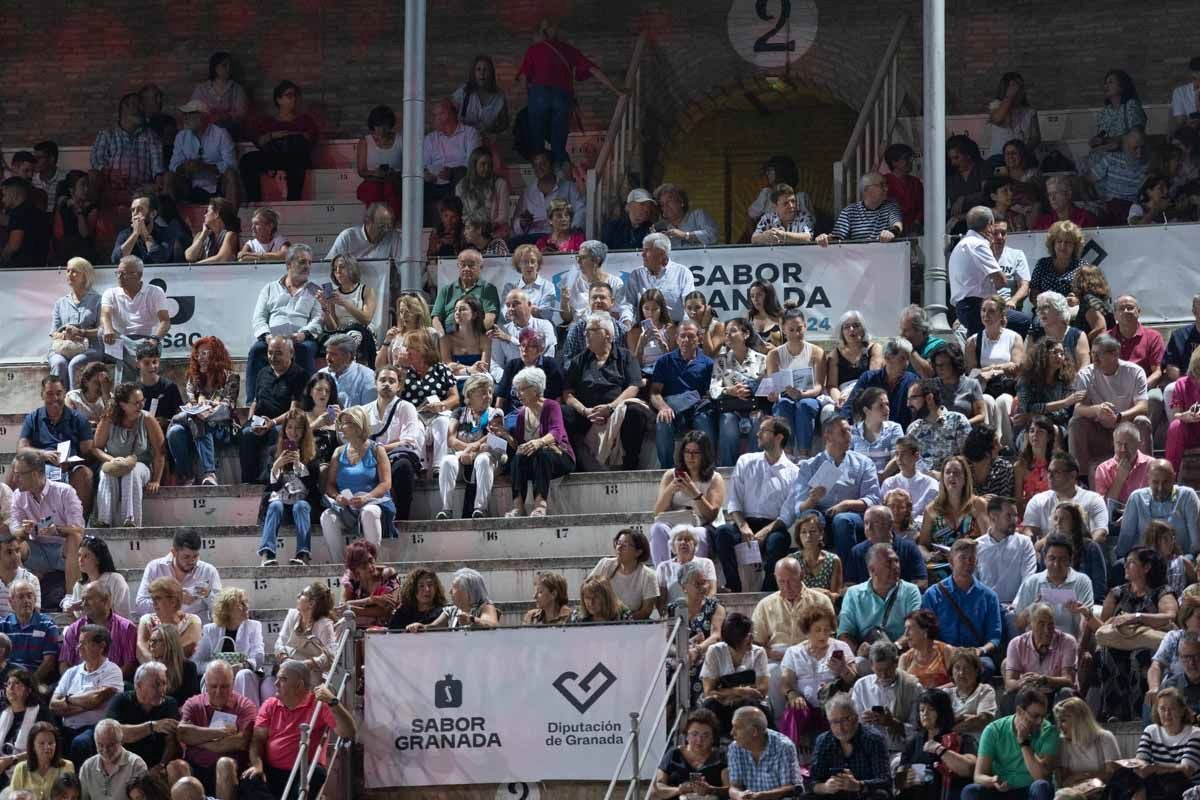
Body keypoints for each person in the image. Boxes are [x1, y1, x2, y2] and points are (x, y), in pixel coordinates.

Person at [1084, 546, 1179, 721]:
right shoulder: (1117, 593)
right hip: (1121, 643)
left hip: (1147, 643)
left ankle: (1140, 713)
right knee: (1106, 652)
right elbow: (1104, 628)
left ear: (1146, 567)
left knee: (1140, 655)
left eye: (1131, 563)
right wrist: (1087, 615)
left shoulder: (1162, 591)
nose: (1125, 567)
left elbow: (1169, 616)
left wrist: (1136, 617)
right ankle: (1114, 713)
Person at [773, 417, 879, 569]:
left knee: (842, 520)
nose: (849, 436)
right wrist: (812, 499)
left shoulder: (863, 463)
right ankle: (812, 571)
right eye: (843, 432)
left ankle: (847, 575)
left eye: (850, 431)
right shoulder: (809, 466)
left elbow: (874, 498)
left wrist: (847, 504)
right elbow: (799, 507)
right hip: (821, 515)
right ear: (827, 435)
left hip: (851, 516)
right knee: (810, 518)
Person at [515, 19, 623, 168]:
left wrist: (530, 98)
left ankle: (543, 180)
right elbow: (593, 69)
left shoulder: (534, 49)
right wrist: (615, 89)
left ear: (541, 33)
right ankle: (564, 180)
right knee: (559, 148)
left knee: (537, 146)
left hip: (538, 96)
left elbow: (523, 77)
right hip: (561, 97)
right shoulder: (569, 50)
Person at [239, 661, 355, 800]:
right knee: (249, 780)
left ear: (299, 685)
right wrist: (257, 765)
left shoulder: (319, 705)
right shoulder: (270, 704)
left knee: (315, 774)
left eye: (283, 679)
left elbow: (348, 732)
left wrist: (333, 702)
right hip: (272, 770)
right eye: (277, 678)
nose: (275, 683)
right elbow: (257, 739)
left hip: (303, 771)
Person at [711, 417, 798, 590]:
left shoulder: (794, 472)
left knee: (779, 541)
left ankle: (768, 589)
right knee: (723, 533)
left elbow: (788, 513)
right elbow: (734, 500)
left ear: (778, 437)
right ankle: (733, 584)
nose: (757, 433)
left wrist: (765, 532)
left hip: (773, 525)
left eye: (764, 431)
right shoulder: (745, 461)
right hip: (745, 521)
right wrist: (743, 526)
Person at [559, 314, 652, 471]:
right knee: (563, 412)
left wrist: (610, 408)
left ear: (607, 334)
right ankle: (574, 465)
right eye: (585, 331)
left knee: (635, 412)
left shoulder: (625, 356)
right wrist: (584, 410)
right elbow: (568, 393)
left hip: (616, 411)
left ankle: (630, 465)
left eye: (591, 330)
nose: (585, 334)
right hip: (587, 413)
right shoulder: (579, 360)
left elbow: (633, 387)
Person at [753, 557, 836, 713]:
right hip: (778, 656)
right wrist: (770, 652)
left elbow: (831, 634)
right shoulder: (765, 604)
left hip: (814, 652)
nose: (787, 586)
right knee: (771, 673)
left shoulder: (820, 600)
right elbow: (756, 643)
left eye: (791, 580)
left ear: (802, 576)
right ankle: (780, 724)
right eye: (781, 581)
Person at [1069, 333, 1153, 481]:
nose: (1094, 359)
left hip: (1126, 427)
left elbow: (1143, 406)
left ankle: (1148, 473)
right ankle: (1080, 479)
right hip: (1099, 429)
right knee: (1075, 423)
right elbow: (1078, 408)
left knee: (1142, 421)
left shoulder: (1134, 372)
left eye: (1099, 354)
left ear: (1115, 354)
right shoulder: (1085, 374)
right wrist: (1097, 409)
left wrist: (1119, 417)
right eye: (1092, 354)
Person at [9, 448, 83, 611]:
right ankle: (20, 595)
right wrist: (23, 530)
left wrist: (56, 529)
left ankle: (71, 597)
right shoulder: (17, 495)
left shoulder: (65, 491)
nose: (15, 479)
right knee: (14, 543)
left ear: (35, 474)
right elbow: (14, 528)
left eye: (19, 474)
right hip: (36, 550)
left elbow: (79, 529)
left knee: (74, 538)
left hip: (62, 551)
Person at [318, 408, 395, 564]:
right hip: (347, 506)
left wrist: (367, 497)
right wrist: (337, 496)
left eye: (344, 424)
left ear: (357, 425)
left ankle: (372, 564)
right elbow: (330, 485)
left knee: (368, 512)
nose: (339, 428)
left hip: (372, 501)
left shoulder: (376, 449)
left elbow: (386, 483)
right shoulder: (338, 452)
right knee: (327, 517)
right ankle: (340, 565)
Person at [245, 247, 321, 404]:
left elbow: (318, 318)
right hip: (273, 337)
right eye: (302, 262)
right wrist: (267, 337)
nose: (307, 266)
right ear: (288, 264)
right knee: (256, 350)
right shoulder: (270, 288)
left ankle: (306, 401)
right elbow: (259, 317)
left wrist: (304, 334)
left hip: (300, 337)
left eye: (309, 262)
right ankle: (253, 401)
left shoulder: (314, 289)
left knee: (305, 349)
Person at [170, 661, 254, 800]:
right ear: (206, 685)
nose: (218, 691)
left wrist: (197, 740)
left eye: (225, 686)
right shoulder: (193, 703)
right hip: (195, 764)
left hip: (230, 768)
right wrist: (221, 733)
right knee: (175, 766)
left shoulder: (244, 705)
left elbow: (241, 741)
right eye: (213, 686)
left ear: (232, 684)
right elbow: (183, 733)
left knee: (224, 763)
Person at [921, 539, 1003, 677]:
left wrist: (980, 651)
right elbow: (926, 633)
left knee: (986, 666)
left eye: (972, 558)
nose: (968, 562)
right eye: (962, 558)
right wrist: (947, 650)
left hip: (975, 655)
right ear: (951, 561)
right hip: (942, 653)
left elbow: (994, 637)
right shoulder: (933, 594)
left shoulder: (989, 596)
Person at [962, 688, 1058, 800]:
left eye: (1043, 716)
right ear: (1020, 711)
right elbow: (978, 776)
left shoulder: (1049, 731)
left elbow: (1040, 776)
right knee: (971, 791)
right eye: (1035, 716)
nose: (1039, 722)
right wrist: (993, 781)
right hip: (999, 791)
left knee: (1041, 786)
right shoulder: (994, 730)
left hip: (1029, 790)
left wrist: (1024, 743)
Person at [240, 336, 309, 487]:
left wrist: (272, 423)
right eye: (270, 353)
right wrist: (252, 420)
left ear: (291, 353)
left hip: (283, 423)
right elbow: (256, 402)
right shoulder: (263, 373)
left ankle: (271, 481)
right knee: (245, 433)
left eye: (278, 353)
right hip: (261, 420)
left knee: (276, 433)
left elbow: (294, 410)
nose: (273, 357)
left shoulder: (300, 375)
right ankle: (247, 483)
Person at [51, 623, 124, 766]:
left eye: (84, 643)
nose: (79, 647)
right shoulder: (71, 672)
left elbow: (96, 699)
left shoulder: (112, 670)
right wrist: (85, 704)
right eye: (79, 643)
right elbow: (53, 705)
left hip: (95, 727)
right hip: (67, 727)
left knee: (81, 743)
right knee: (45, 737)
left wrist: (67, 700)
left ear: (101, 646)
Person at [92, 384, 164, 529]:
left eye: (142, 401)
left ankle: (130, 521)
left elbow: (159, 452)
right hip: (114, 461)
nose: (141, 405)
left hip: (140, 464)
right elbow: (96, 448)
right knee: (107, 474)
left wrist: (156, 479)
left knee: (131, 472)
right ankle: (104, 521)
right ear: (123, 405)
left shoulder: (147, 419)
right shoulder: (108, 420)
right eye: (136, 403)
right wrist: (112, 460)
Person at [647, 431, 724, 564]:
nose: (690, 457)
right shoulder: (670, 475)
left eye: (696, 453)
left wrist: (695, 493)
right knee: (658, 528)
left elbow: (711, 515)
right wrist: (671, 489)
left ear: (704, 454)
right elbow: (658, 512)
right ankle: (663, 576)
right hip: (675, 523)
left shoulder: (715, 478)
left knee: (697, 533)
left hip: (702, 524)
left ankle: (693, 577)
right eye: (687, 452)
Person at [779, 605, 855, 736]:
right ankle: (790, 751)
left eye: (827, 630)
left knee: (838, 709)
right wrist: (792, 694)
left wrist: (843, 668)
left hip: (832, 703)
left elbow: (853, 678)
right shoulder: (794, 652)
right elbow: (786, 682)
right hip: (805, 705)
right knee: (795, 710)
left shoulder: (840, 647)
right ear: (807, 631)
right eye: (818, 630)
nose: (823, 634)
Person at [838, 543, 923, 658]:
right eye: (889, 563)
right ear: (872, 570)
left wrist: (894, 648)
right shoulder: (853, 594)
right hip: (867, 657)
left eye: (896, 561)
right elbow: (844, 633)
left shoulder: (910, 591)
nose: (895, 566)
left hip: (901, 654)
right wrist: (859, 651)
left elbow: (915, 628)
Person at [239, 81, 318, 204]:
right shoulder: (269, 122)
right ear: (279, 99)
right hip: (274, 155)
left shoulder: (304, 120)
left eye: (295, 96)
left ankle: (293, 202)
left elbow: (309, 138)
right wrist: (273, 135)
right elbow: (260, 141)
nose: (294, 99)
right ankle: (255, 201)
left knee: (297, 157)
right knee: (247, 159)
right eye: (289, 95)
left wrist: (289, 134)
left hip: (295, 156)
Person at [1115, 687, 1200, 799]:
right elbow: (1140, 760)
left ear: (1182, 710)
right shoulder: (1151, 731)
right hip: (1158, 783)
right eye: (1162, 709)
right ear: (1157, 711)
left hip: (1185, 787)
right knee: (1122, 776)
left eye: (1172, 708)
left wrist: (1155, 768)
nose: (1167, 713)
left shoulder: (1195, 734)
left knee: (1174, 780)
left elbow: (1186, 770)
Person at [436, 374, 501, 520]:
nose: (488, 396)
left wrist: (471, 451)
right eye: (483, 393)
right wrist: (467, 451)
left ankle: (480, 508)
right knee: (447, 461)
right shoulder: (459, 412)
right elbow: (451, 439)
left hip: (489, 455)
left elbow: (491, 437)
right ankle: (446, 509)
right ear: (470, 394)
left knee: (482, 460)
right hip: (463, 455)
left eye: (490, 392)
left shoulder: (495, 413)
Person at [88, 93, 165, 214]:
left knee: (156, 191)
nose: (141, 110)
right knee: (93, 175)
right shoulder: (108, 134)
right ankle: (92, 218)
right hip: (112, 186)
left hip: (141, 188)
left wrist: (158, 183)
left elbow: (158, 167)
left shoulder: (151, 136)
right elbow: (96, 160)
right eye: (137, 106)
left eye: (142, 106)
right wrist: (110, 173)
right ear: (125, 107)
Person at [98, 255, 170, 385]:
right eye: (118, 272)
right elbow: (105, 315)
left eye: (124, 273)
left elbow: (165, 321)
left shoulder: (155, 292)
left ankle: (123, 390)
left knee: (126, 356)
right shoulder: (111, 293)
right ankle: (135, 362)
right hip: (121, 340)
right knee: (102, 332)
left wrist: (154, 339)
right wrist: (108, 328)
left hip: (147, 341)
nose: (119, 277)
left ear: (138, 275)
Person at [896, 688, 978, 800]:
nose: (925, 714)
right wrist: (904, 781)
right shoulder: (914, 742)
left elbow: (970, 768)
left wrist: (940, 750)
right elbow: (899, 780)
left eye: (931, 709)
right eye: (922, 710)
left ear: (943, 712)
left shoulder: (962, 739)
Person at [764, 308, 825, 458]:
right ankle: (787, 453)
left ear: (805, 326)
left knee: (804, 406)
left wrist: (802, 394)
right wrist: (772, 394)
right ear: (784, 330)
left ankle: (805, 454)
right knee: (783, 405)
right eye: (791, 330)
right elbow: (774, 385)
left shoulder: (817, 352)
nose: (796, 334)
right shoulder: (774, 354)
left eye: (799, 329)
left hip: (810, 396)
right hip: (785, 396)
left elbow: (819, 386)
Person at [1012, 534, 1096, 640]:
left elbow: (1088, 622)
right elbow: (1019, 624)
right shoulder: (1032, 582)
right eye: (1052, 558)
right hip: (1037, 645)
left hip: (1070, 643)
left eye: (1062, 559)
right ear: (1044, 559)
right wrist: (1032, 608)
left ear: (1070, 560)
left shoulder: (1082, 581)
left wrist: (1082, 649)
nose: (1056, 564)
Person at [808, 693, 892, 800]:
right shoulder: (823, 740)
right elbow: (812, 781)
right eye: (834, 722)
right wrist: (825, 787)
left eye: (845, 720)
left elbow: (885, 780)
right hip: (833, 795)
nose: (840, 728)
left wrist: (858, 785)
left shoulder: (874, 739)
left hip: (864, 795)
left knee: (880, 795)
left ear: (856, 718)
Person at [709, 317, 768, 466]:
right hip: (731, 409)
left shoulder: (763, 360)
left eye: (732, 331)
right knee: (727, 423)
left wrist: (751, 388)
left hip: (755, 408)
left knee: (758, 424)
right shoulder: (720, 361)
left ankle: (756, 468)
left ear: (746, 334)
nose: (727, 336)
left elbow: (768, 389)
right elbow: (713, 389)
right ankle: (728, 470)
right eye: (726, 333)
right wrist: (730, 390)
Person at [699, 612, 770, 736]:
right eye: (748, 635)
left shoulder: (759, 652)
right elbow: (709, 692)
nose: (752, 638)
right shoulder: (715, 652)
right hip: (722, 705)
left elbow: (761, 690)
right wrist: (741, 691)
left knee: (752, 705)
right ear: (736, 638)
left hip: (748, 704)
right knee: (710, 705)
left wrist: (726, 692)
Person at [191, 588, 264, 706]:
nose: (246, 607)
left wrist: (244, 665)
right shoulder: (210, 630)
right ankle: (212, 715)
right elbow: (197, 662)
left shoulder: (254, 626)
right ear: (228, 608)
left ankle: (250, 717)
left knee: (243, 674)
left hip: (245, 672)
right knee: (211, 676)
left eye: (246, 602)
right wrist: (220, 668)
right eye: (241, 603)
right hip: (218, 674)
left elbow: (259, 656)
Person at [1116, 460, 1200, 559]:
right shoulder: (1136, 498)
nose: (1160, 488)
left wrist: (1182, 563)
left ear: (1174, 478)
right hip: (1145, 564)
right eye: (1155, 482)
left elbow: (1196, 544)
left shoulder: (1187, 496)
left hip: (1181, 560)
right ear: (1148, 479)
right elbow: (1126, 539)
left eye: (1165, 482)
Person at [1004, 601, 1078, 706]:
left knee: (1066, 693)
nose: (1047, 630)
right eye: (1041, 624)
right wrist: (1021, 682)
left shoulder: (1067, 641)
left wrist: (1045, 680)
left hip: (1055, 693)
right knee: (1009, 697)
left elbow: (1069, 679)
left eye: (1050, 624)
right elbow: (1009, 683)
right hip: (1029, 694)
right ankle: (1018, 722)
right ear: (1031, 624)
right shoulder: (1017, 643)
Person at [58, 583, 137, 680]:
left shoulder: (127, 628)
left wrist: (103, 682)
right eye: (83, 600)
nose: (84, 604)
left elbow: (130, 665)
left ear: (106, 600)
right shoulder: (74, 629)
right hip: (79, 684)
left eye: (89, 599)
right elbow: (64, 664)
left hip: (112, 685)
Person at [168, 100, 239, 207]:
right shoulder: (181, 136)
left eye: (190, 114)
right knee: (169, 176)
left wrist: (206, 167)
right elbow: (173, 166)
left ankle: (231, 220)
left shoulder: (221, 134)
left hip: (217, 185)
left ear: (203, 117)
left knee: (231, 175)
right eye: (185, 115)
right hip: (190, 185)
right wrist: (184, 167)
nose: (186, 118)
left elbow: (232, 165)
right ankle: (171, 221)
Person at [949, 207, 1006, 339]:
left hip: (964, 307)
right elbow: (1001, 281)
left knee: (976, 346)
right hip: (976, 307)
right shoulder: (978, 245)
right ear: (990, 225)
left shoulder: (962, 244)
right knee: (1022, 322)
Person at [842, 338, 923, 430]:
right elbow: (850, 406)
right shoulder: (868, 378)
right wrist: (843, 424)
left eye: (908, 359)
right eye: (902, 358)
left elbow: (918, 412)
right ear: (888, 358)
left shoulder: (912, 381)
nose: (906, 363)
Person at [47, 258, 102, 392]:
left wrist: (81, 332)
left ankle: (74, 406)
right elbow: (53, 332)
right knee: (59, 363)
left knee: (75, 364)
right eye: (68, 271)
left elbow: (103, 330)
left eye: (74, 271)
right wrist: (65, 335)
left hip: (90, 348)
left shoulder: (97, 300)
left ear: (85, 275)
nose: (70, 275)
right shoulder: (61, 303)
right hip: (62, 347)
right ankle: (58, 403)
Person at [422, 99, 480, 223]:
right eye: (434, 115)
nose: (435, 118)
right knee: (417, 183)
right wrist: (426, 174)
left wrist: (452, 172)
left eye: (440, 114)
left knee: (461, 174)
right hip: (435, 181)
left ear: (452, 114)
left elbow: (473, 162)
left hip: (459, 178)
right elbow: (424, 165)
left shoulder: (470, 133)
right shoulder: (430, 139)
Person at [650, 708, 729, 799]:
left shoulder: (720, 756)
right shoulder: (674, 754)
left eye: (705, 735)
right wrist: (679, 790)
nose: (699, 740)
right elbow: (656, 789)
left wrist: (710, 790)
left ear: (712, 738)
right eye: (694, 734)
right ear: (686, 736)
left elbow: (729, 790)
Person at [318, 254, 379, 368]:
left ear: (351, 268)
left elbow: (366, 319)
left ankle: (349, 368)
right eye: (335, 268)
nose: (338, 271)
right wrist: (325, 307)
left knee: (353, 335)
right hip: (341, 332)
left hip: (362, 331)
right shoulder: (333, 294)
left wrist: (344, 303)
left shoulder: (366, 291)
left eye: (341, 267)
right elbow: (333, 327)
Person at [975, 496, 1036, 607]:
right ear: (993, 518)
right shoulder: (976, 546)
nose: (1015, 520)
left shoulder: (1024, 543)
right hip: (985, 608)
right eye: (1009, 516)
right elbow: (973, 582)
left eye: (1015, 516)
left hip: (1016, 608)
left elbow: (1028, 580)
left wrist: (1015, 607)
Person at [726, 705, 800, 799]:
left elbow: (790, 788)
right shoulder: (734, 748)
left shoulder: (784, 747)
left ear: (754, 732)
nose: (732, 733)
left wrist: (761, 796)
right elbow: (734, 787)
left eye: (737, 728)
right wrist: (740, 795)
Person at [510, 150, 585, 241]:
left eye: (543, 164)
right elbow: (515, 225)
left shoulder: (569, 187)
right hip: (533, 238)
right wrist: (522, 222)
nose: (539, 168)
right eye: (535, 165)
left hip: (559, 236)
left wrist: (570, 230)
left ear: (552, 166)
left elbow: (581, 210)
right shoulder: (527, 192)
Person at [847, 505, 927, 589]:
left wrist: (894, 594)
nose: (869, 528)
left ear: (890, 524)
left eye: (875, 522)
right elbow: (848, 585)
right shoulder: (857, 551)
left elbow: (921, 582)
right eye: (866, 523)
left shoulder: (909, 548)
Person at [273, 583, 336, 687]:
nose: (298, 595)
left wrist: (306, 664)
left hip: (312, 676)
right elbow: (280, 642)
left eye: (302, 594)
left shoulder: (324, 624)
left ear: (311, 604)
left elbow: (331, 656)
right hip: (287, 667)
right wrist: (285, 659)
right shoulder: (292, 615)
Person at [588, 530, 658, 621]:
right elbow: (587, 589)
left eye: (625, 545)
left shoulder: (648, 576)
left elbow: (646, 610)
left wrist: (624, 620)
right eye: (618, 543)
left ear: (638, 552)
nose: (619, 547)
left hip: (631, 625)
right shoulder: (605, 564)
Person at [625, 233, 696, 323]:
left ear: (662, 253)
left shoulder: (682, 273)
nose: (642, 254)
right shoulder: (636, 275)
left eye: (647, 250)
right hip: (643, 329)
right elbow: (628, 305)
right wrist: (627, 322)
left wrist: (683, 329)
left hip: (674, 328)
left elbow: (689, 306)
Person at [816, 172, 903, 245]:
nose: (886, 189)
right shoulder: (849, 211)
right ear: (866, 189)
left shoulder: (891, 206)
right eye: (881, 185)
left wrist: (891, 232)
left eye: (886, 185)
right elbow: (837, 237)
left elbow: (897, 225)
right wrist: (825, 239)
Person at [906, 380, 972, 473]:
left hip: (952, 481)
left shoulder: (958, 421)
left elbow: (968, 459)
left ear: (929, 398)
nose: (908, 404)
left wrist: (942, 476)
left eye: (913, 398)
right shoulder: (913, 429)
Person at [430, 248, 499, 334]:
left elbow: (490, 317)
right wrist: (442, 337)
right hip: (449, 333)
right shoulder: (446, 290)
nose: (466, 269)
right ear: (458, 266)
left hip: (475, 334)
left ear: (480, 267)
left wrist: (472, 336)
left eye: (471, 265)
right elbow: (436, 318)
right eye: (463, 265)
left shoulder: (488, 289)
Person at [61, 536, 129, 622]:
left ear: (98, 559)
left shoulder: (115, 580)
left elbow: (123, 615)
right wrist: (70, 613)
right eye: (79, 555)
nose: (80, 560)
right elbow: (77, 624)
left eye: (86, 556)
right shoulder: (79, 586)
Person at [407, 567, 499, 631]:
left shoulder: (485, 607)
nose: (450, 591)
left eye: (454, 588)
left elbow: (492, 624)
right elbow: (435, 626)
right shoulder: (452, 610)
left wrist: (471, 620)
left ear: (467, 591)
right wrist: (421, 627)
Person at [828, 310, 884, 411]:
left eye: (856, 325)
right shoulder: (835, 354)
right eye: (846, 327)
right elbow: (832, 385)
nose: (851, 329)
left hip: (866, 393)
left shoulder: (874, 348)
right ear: (842, 332)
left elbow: (872, 377)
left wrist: (852, 395)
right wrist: (838, 399)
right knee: (828, 411)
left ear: (863, 328)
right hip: (843, 394)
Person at [337, 540, 400, 629]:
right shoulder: (351, 578)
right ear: (355, 569)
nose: (370, 567)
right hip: (356, 629)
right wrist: (370, 600)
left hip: (385, 630)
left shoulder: (388, 575)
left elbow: (386, 610)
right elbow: (342, 607)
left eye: (371, 560)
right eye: (363, 565)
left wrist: (352, 609)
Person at [78, 720, 147, 800]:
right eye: (100, 745)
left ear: (121, 742)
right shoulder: (87, 767)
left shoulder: (136, 764)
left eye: (110, 745)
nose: (105, 750)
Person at [136, 579, 202, 662]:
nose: (153, 603)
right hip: (152, 670)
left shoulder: (192, 620)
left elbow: (187, 648)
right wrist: (157, 666)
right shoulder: (146, 620)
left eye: (158, 598)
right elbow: (141, 649)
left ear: (173, 601)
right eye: (152, 598)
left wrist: (157, 655)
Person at [355, 105, 403, 218]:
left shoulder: (400, 139)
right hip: (373, 182)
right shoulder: (365, 141)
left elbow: (408, 167)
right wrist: (374, 173)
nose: (381, 129)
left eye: (384, 125)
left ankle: (394, 221)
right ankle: (376, 222)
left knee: (391, 189)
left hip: (394, 181)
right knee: (375, 189)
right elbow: (361, 171)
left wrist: (394, 173)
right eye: (378, 126)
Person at [324, 202, 402, 270]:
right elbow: (327, 266)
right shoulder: (347, 237)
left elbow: (402, 266)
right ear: (368, 222)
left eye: (388, 226)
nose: (386, 230)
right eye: (381, 226)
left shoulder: (392, 236)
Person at [655, 526, 718, 611]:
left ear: (695, 544)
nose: (683, 542)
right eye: (679, 539)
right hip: (673, 614)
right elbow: (661, 599)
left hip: (700, 612)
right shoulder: (663, 567)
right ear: (673, 545)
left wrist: (702, 612)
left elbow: (712, 591)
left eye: (688, 539)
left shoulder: (706, 563)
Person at [7, 722, 74, 800]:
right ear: (33, 746)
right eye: (42, 743)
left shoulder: (66, 766)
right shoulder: (21, 768)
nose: (47, 747)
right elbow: (13, 797)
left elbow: (70, 797)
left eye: (51, 743)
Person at [456, 148, 511, 241]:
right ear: (474, 165)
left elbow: (503, 217)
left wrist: (485, 229)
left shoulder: (500, 184)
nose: (487, 168)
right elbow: (462, 215)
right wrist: (474, 230)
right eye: (483, 164)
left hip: (494, 232)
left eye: (489, 165)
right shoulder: (461, 186)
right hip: (470, 233)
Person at [1028, 222, 1086, 308]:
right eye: (1059, 241)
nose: (1063, 246)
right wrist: (1048, 308)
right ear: (1053, 243)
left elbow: (1089, 295)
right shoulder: (1042, 264)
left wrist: (1077, 300)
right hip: (1045, 311)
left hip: (1072, 312)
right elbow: (1033, 295)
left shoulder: (1082, 266)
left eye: (1068, 242)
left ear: (1075, 246)